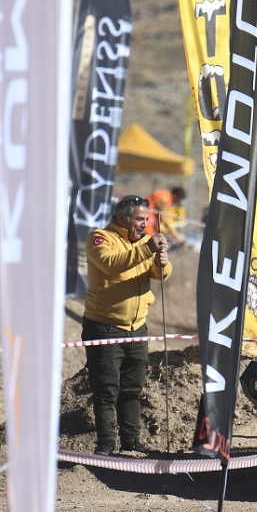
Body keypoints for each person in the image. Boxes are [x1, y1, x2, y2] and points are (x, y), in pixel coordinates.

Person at [83, 194, 172, 456]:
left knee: (132, 389)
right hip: (105, 326)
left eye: (147, 219)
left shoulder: (144, 243)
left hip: (137, 328)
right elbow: (111, 266)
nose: (145, 224)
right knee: (106, 389)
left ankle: (131, 441)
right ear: (123, 218)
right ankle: (106, 442)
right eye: (139, 219)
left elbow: (159, 274)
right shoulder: (100, 238)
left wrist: (163, 264)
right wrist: (147, 250)